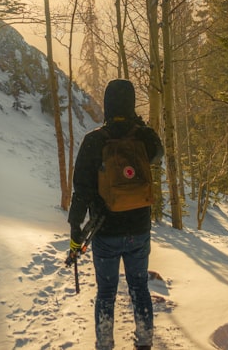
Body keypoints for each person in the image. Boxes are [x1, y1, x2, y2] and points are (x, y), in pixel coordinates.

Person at [68, 79, 164, 350]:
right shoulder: (144, 137)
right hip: (139, 229)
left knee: (106, 293)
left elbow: (82, 190)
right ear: (131, 104)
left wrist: (75, 228)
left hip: (106, 232)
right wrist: (139, 124)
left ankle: (105, 345)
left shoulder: (94, 140)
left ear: (108, 105)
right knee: (139, 289)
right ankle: (144, 343)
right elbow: (158, 154)